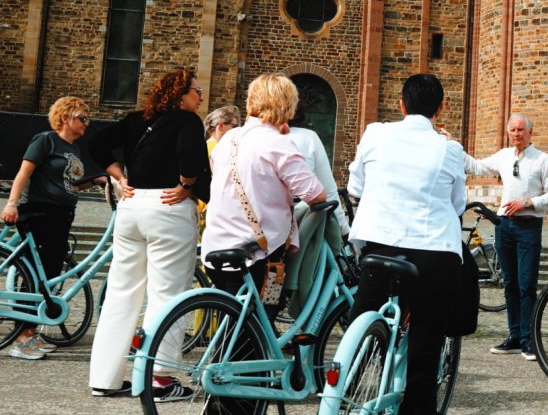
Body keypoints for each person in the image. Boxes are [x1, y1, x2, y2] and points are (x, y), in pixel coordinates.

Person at [87, 68, 211, 399]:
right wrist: (187, 184)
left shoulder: (136, 119)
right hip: (167, 208)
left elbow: (97, 144)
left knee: (121, 291)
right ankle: (161, 378)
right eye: (197, 91)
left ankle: (104, 377)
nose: (200, 97)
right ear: (181, 94)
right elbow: (191, 155)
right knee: (167, 293)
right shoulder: (188, 122)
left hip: (132, 207)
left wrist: (118, 175)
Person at [347, 73, 467, 415]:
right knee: (424, 356)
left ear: (401, 105)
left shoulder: (376, 133)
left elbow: (355, 187)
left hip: (379, 247)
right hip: (434, 255)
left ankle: (344, 386)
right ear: (439, 109)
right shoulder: (449, 149)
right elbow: (458, 204)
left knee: (361, 326)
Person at [203, 74, 327, 300]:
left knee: (231, 315)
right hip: (259, 254)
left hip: (216, 246)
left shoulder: (229, 139)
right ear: (287, 105)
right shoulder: (278, 144)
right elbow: (316, 195)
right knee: (266, 308)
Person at [2, 96, 106, 360]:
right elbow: (24, 173)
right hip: (39, 212)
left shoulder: (74, 149)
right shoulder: (46, 140)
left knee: (47, 275)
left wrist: (94, 181)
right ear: (65, 118)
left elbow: (69, 184)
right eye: (82, 118)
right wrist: (11, 204)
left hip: (61, 215)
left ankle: (30, 332)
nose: (86, 123)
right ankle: (21, 338)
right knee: (35, 276)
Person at [462, 113, 548, 361]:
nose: (516, 134)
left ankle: (529, 340)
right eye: (512, 130)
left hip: (528, 227)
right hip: (504, 226)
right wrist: (453, 146)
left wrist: (528, 202)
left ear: (530, 132)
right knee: (509, 284)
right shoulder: (504, 156)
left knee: (526, 284)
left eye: (520, 130)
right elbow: (476, 166)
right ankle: (514, 336)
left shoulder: (542, 160)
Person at [287, 102, 350, 237]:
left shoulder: (246, 138)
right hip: (299, 228)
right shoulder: (308, 137)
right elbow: (328, 190)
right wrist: (343, 230)